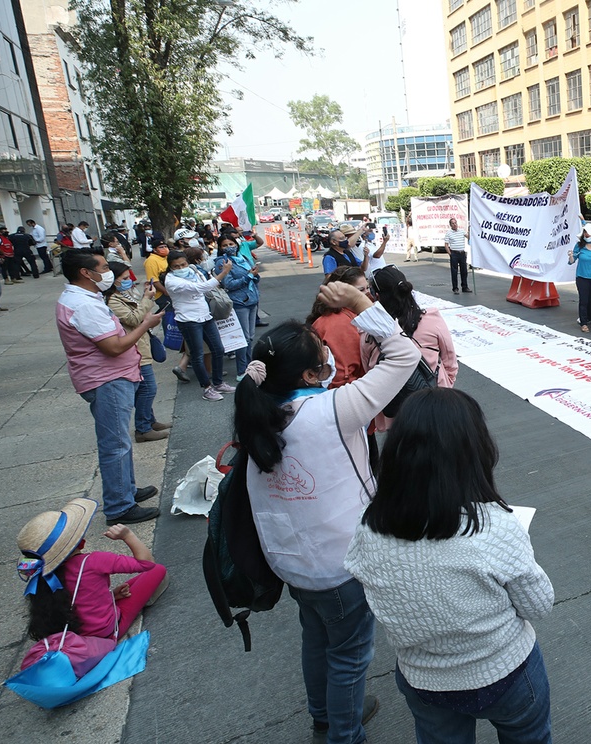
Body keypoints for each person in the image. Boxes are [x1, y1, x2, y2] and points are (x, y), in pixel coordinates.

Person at [235, 284, 421, 744]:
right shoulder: (335, 409)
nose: (329, 355)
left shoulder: (257, 415)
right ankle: (343, 733)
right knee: (349, 656)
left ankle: (325, 715)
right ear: (312, 371)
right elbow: (403, 358)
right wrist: (362, 306)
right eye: (323, 351)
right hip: (340, 564)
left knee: (317, 640)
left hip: (292, 562)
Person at [346, 388, 555, 744]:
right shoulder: (496, 525)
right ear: (474, 450)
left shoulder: (371, 525)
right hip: (506, 672)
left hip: (425, 680)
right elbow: (539, 604)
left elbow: (372, 589)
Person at [55, 250, 162, 525]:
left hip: (109, 377)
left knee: (121, 443)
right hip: (107, 380)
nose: (108, 272)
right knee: (115, 445)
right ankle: (119, 507)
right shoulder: (84, 305)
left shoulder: (84, 299)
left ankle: (126, 490)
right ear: (85, 273)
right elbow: (113, 347)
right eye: (103, 267)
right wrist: (146, 324)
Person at [17, 498, 168, 673]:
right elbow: (147, 563)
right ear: (78, 541)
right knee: (158, 570)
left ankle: (117, 599)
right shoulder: (94, 561)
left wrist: (111, 596)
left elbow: (76, 600)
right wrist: (127, 535)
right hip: (107, 633)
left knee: (132, 585)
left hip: (76, 634)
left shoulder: (41, 575)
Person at [360, 265, 459, 433]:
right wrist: (445, 384)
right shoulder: (432, 319)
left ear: (376, 296)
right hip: (435, 402)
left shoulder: (368, 333)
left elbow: (368, 371)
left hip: (395, 412)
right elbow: (450, 360)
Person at [104, 261, 171, 443]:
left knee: (144, 388)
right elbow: (134, 319)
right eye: (124, 279)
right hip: (134, 349)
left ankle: (149, 421)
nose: (129, 281)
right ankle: (143, 428)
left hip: (140, 345)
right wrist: (147, 300)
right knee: (148, 389)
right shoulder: (112, 300)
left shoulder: (122, 295)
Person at [162, 250, 234, 402]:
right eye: (176, 266)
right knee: (197, 354)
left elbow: (204, 281)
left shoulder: (193, 271)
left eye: (183, 264)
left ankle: (218, 382)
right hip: (188, 320)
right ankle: (207, 388)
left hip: (205, 316)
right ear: (170, 267)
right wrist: (224, 273)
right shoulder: (171, 281)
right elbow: (201, 288)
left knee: (218, 349)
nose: (181, 268)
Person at [307, 266, 368, 389]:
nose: (367, 293)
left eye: (368, 288)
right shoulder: (339, 324)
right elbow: (342, 377)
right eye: (360, 290)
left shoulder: (345, 316)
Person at [215, 235, 261, 381]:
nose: (229, 247)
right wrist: (248, 276)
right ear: (220, 248)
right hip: (239, 302)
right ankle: (242, 370)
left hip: (252, 299)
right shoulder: (223, 262)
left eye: (231, 243)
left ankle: (250, 365)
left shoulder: (243, 258)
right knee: (243, 338)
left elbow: (254, 278)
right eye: (224, 245)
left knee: (251, 337)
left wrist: (255, 275)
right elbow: (228, 284)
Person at [443, 218, 471, 294]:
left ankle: (464, 287)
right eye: (453, 223)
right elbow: (446, 245)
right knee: (454, 271)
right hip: (454, 253)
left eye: (455, 223)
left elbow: (469, 237)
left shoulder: (461, 231)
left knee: (464, 271)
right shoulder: (449, 233)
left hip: (462, 253)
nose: (455, 224)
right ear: (450, 225)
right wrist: (450, 254)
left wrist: (470, 231)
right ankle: (455, 288)